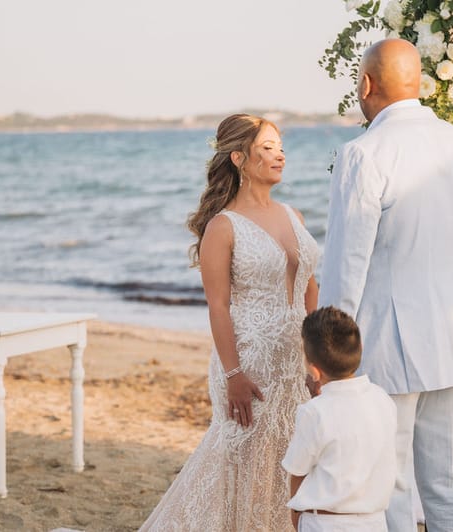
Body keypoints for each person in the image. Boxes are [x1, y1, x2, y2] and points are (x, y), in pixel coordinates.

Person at [317, 39, 453, 532]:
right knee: (448, 478)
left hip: (383, 342)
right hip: (452, 334)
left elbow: (347, 263)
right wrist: (447, 306)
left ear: (366, 84)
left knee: (393, 480)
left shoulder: (363, 153)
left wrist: (327, 354)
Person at [139, 113, 320, 531]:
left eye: (280, 147)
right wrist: (234, 374)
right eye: (267, 149)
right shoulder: (223, 226)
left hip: (295, 362)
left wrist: (318, 359)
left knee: (290, 457)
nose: (280, 156)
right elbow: (218, 307)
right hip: (247, 363)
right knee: (241, 463)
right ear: (239, 158)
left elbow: (311, 287)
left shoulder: (294, 215)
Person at [282, 306, 397, 532]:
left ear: (314, 371)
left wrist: (296, 516)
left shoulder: (313, 413)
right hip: (375, 521)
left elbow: (297, 470)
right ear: (360, 348)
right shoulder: (382, 399)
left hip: (325, 523)